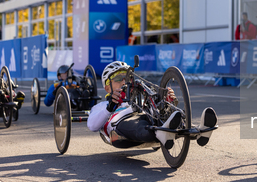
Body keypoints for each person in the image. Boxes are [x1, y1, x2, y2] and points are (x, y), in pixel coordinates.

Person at [87, 61, 218, 149]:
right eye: (118, 79)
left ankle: (200, 131)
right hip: (120, 129)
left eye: (127, 78)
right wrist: (110, 107)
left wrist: (167, 101)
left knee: (161, 115)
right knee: (138, 125)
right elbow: (92, 126)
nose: (124, 82)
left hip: (146, 118)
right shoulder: (101, 106)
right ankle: (160, 132)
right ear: (107, 88)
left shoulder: (140, 99)